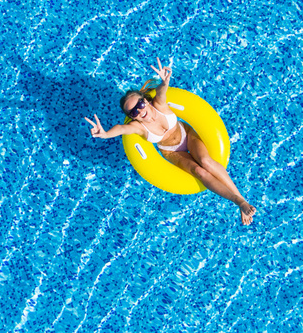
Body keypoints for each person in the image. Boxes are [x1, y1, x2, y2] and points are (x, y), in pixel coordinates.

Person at [83, 58, 256, 225]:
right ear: (131, 117)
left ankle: (242, 200)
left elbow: (161, 91)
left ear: (146, 100)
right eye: (133, 112)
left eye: (140, 105)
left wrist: (165, 81)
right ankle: (238, 202)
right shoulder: (139, 127)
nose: (139, 111)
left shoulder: (159, 106)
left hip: (187, 136)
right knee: (199, 171)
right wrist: (105, 134)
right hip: (172, 151)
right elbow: (122, 129)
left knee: (206, 162)